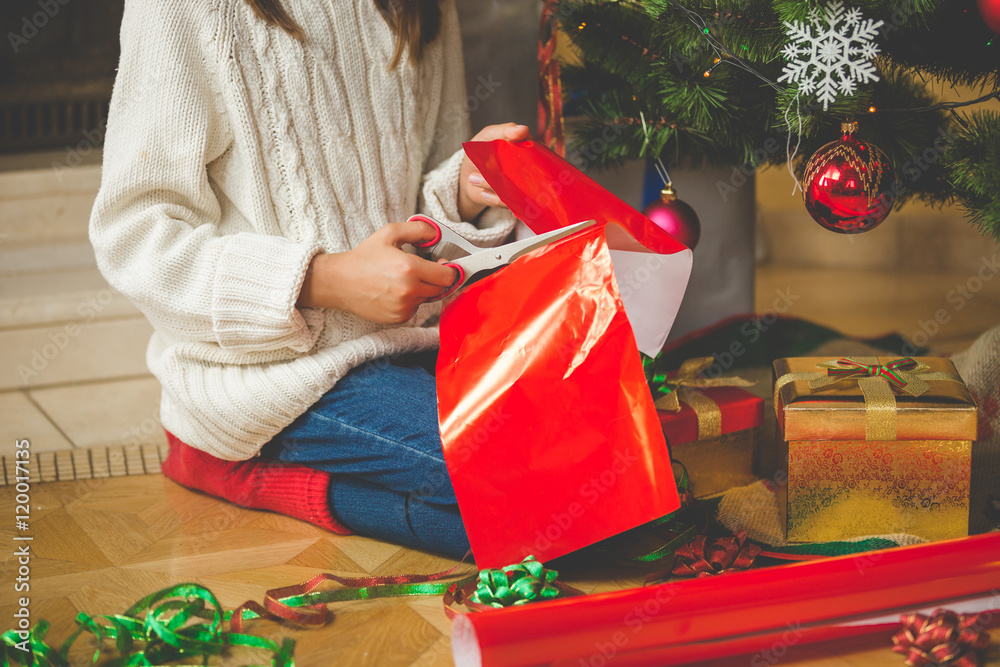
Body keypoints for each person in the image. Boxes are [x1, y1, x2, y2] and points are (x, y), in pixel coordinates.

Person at [89, 0, 530, 559]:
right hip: (281, 373)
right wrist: (325, 279)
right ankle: (232, 461)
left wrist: (465, 188)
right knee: (543, 503)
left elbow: (426, 187)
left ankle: (268, 467)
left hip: (416, 344)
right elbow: (134, 237)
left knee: (607, 467)